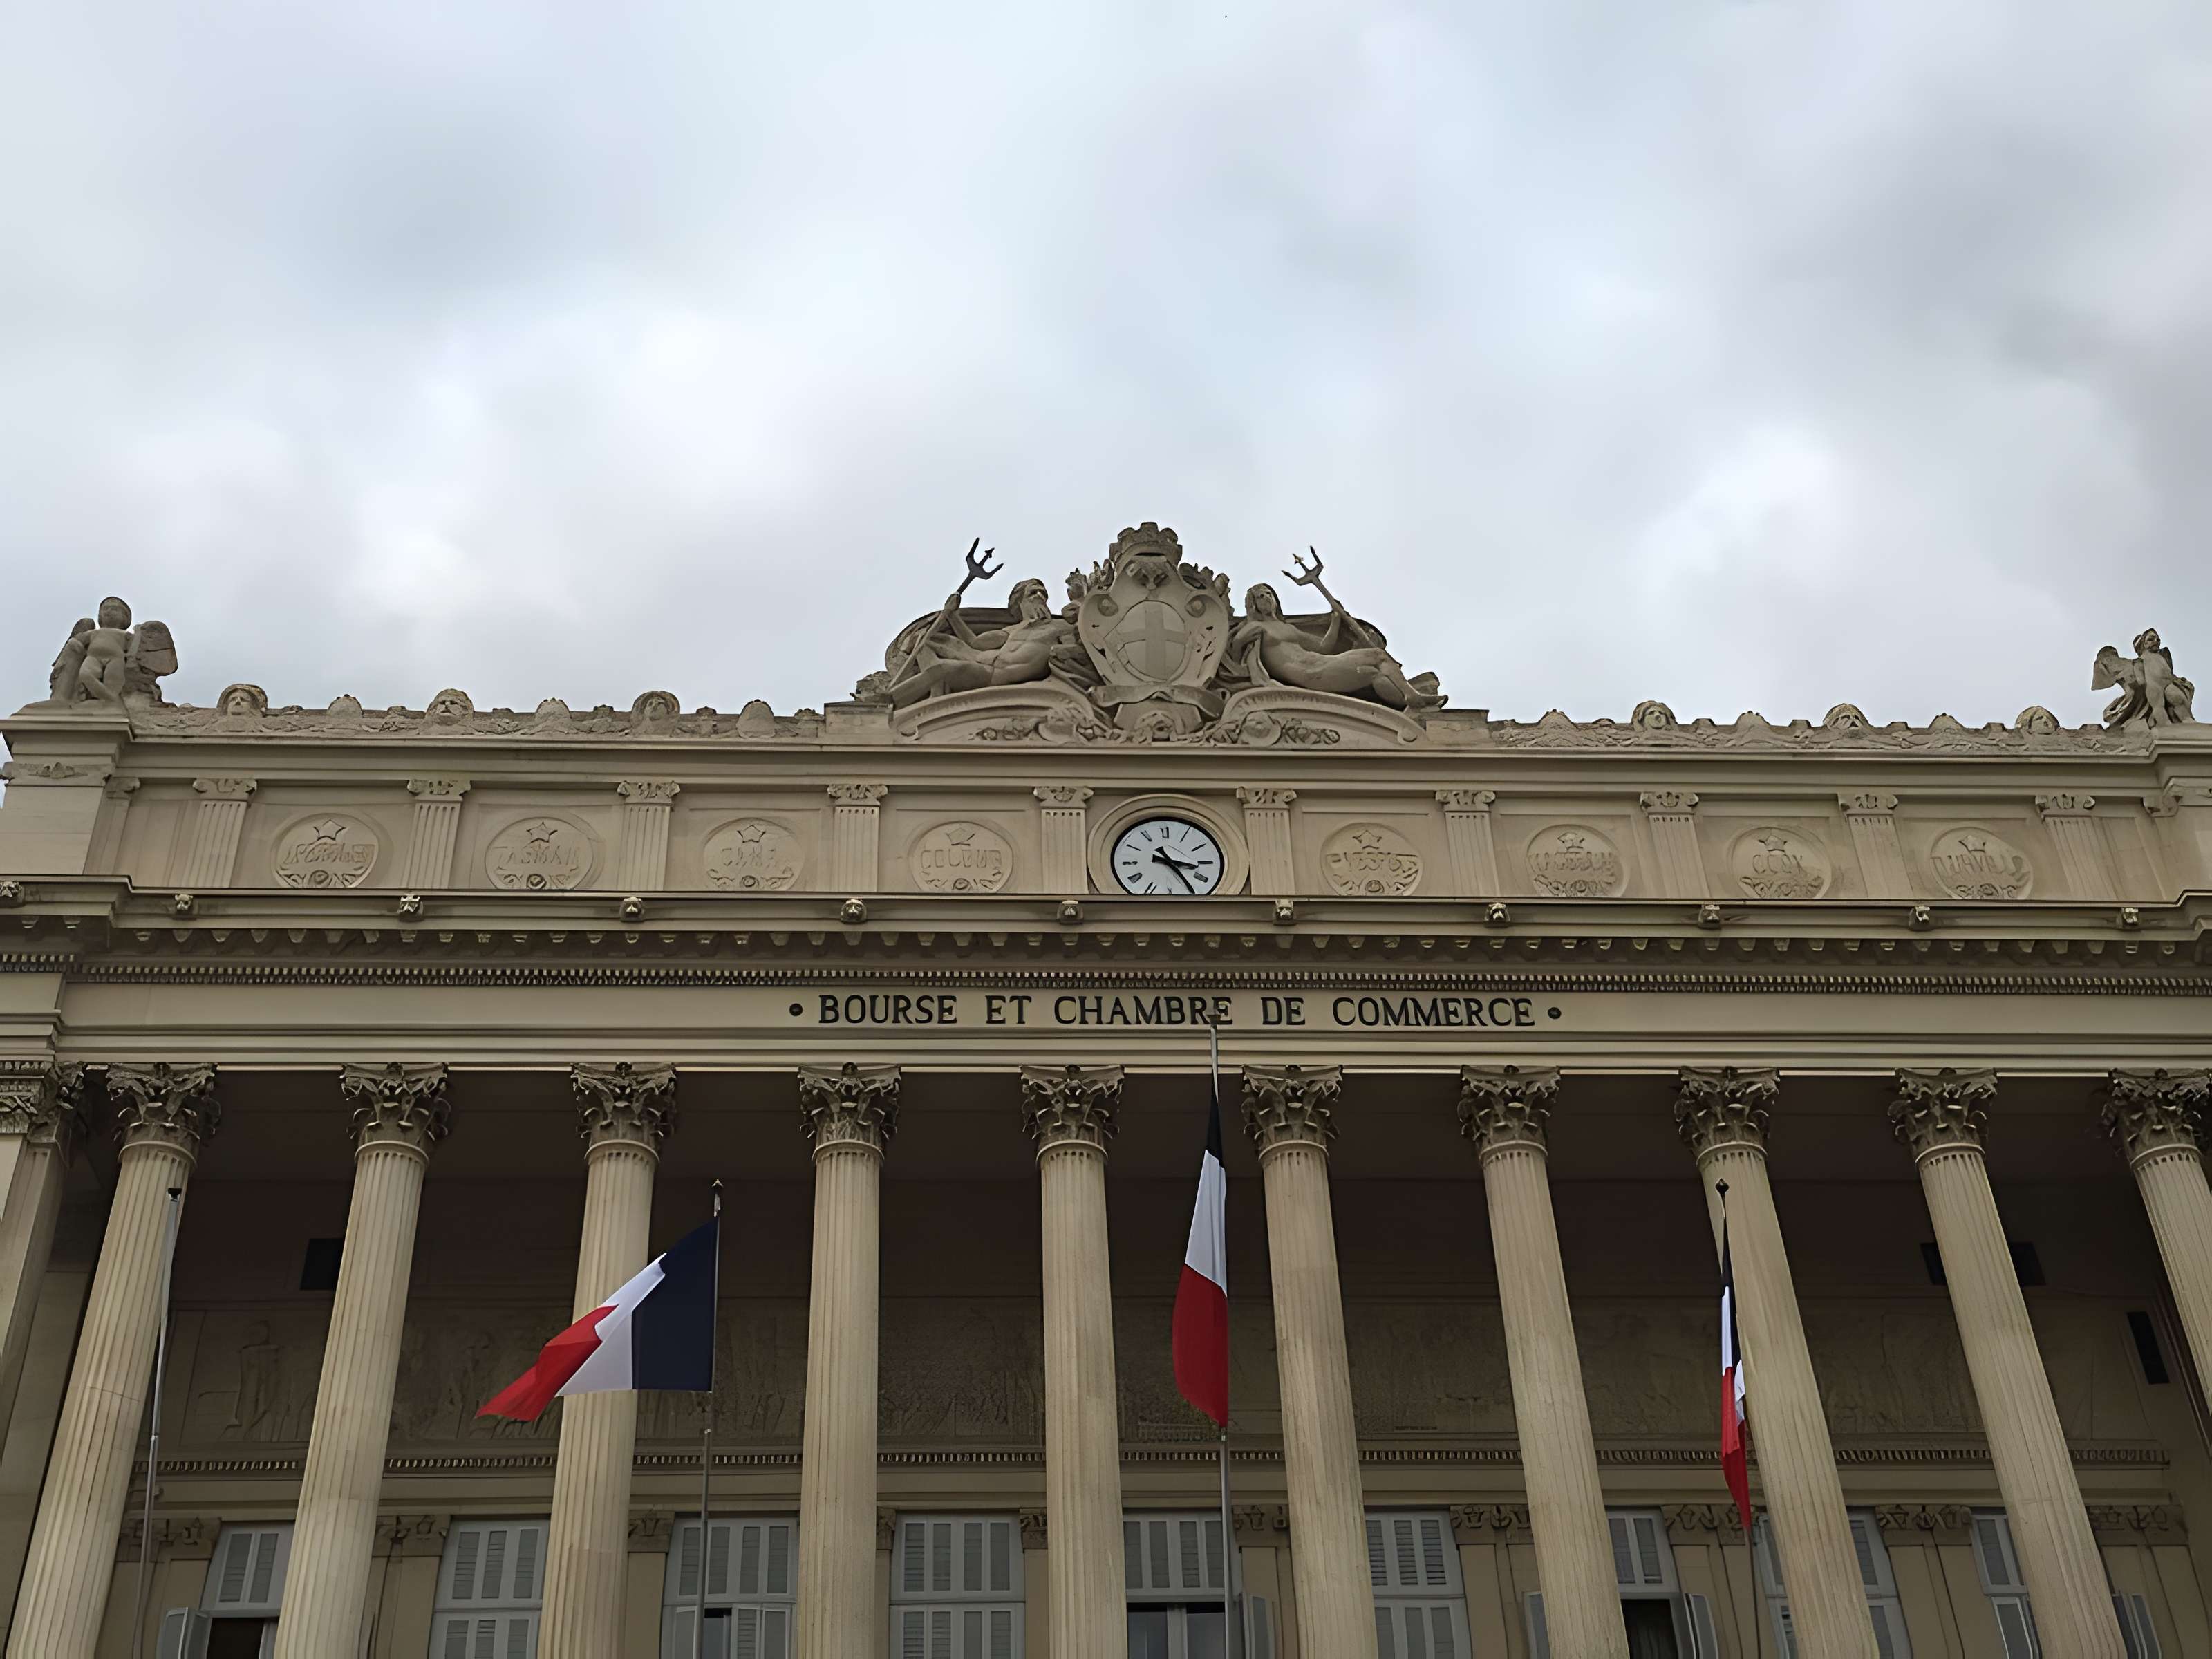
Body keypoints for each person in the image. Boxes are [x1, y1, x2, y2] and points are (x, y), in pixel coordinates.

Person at [1230, 583, 1441, 711]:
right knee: (1377, 656)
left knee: (1376, 676)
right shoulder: (1254, 628)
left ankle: (1408, 704)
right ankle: (1411, 694)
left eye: (1269, 594)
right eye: (1261, 596)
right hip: (1310, 674)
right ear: (1253, 604)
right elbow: (1235, 647)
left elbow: (1323, 646)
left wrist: (1335, 619)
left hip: (1323, 663)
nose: (1267, 598)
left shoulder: (1287, 629)